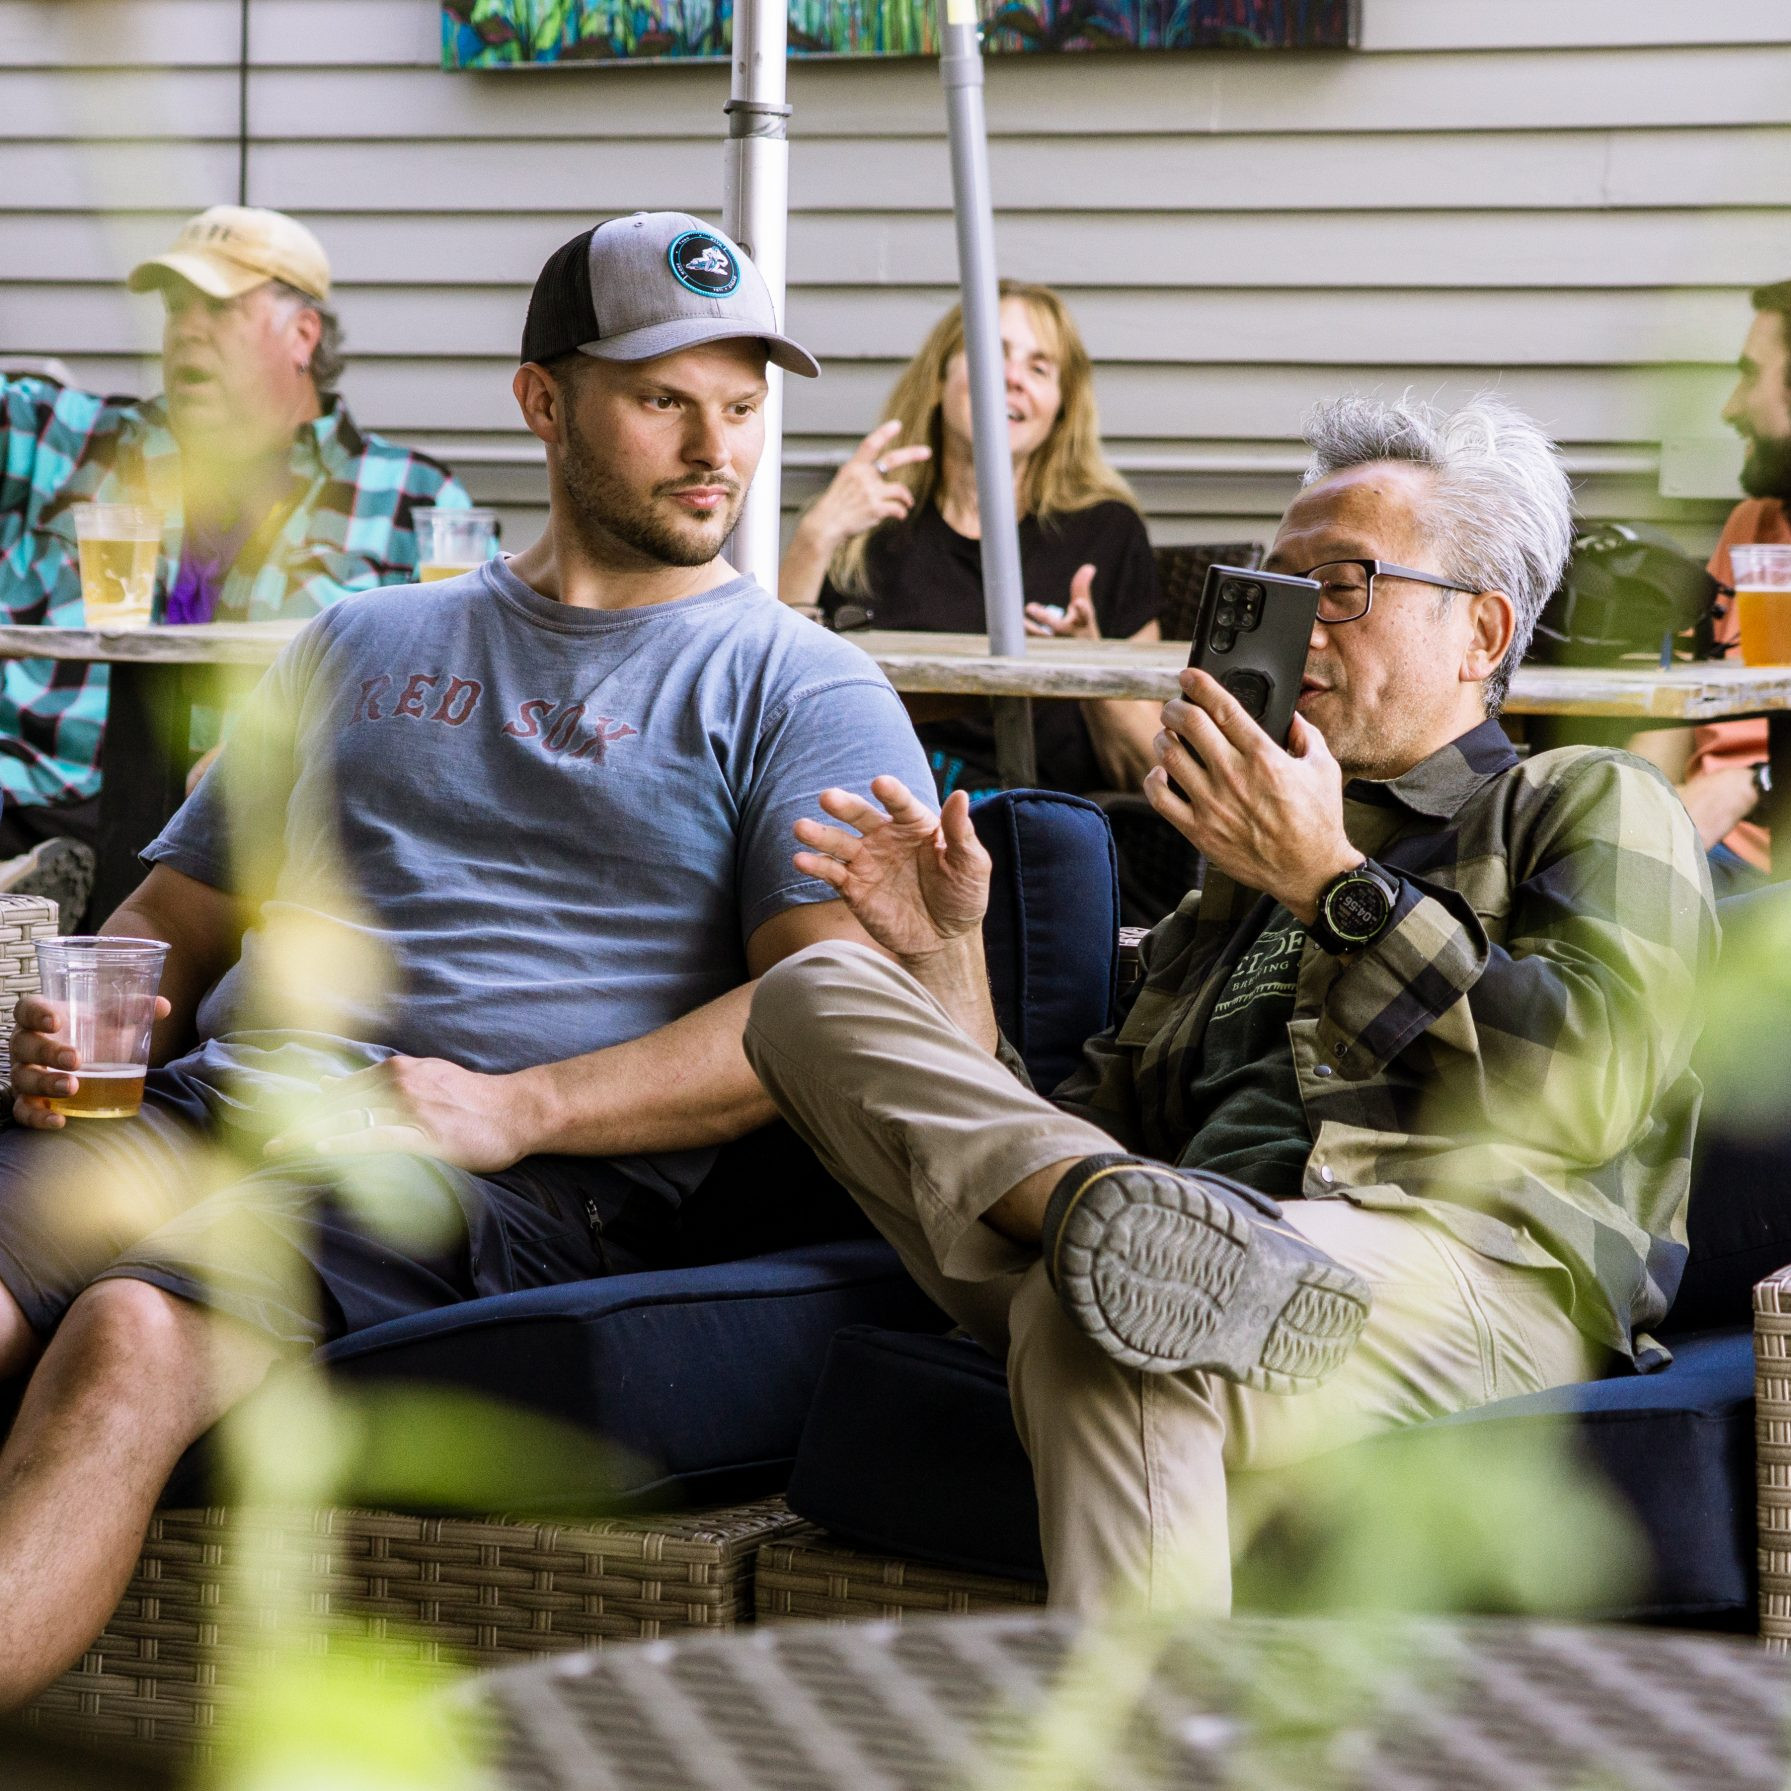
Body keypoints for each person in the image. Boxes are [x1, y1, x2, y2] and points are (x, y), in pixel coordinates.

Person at [0, 210, 932, 1704]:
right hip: (214, 1099)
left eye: (743, 408)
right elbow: (163, 931)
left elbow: (823, 1005)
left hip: (483, 1169)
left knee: (129, 1330)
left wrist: (526, 1108)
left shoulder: (795, 682)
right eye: (663, 401)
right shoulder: (354, 642)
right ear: (542, 401)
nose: (716, 450)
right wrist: (71, 1027)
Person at [746, 394, 1716, 1614]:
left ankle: (1149, 1247)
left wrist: (1330, 884)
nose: (1300, 626)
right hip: (1173, 1224)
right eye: (1278, 587)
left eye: (1344, 585)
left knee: (1102, 1311)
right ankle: (1145, 1237)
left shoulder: (1582, 799)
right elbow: (1063, 1132)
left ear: (1482, 632)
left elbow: (1593, 1085)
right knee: (810, 988)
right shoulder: (1233, 876)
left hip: (1464, 1268)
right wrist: (947, 960)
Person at [0, 205, 472, 920]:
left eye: (219, 307)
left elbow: (450, 713)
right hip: (32, 791)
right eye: (175, 306)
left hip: (230, 833)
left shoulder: (413, 500)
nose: (186, 328)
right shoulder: (67, 440)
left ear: (302, 335)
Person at [779, 281, 1164, 803]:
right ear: (939, 381)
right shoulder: (868, 520)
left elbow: (1149, 770)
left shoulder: (1106, 531)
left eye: (1040, 368)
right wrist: (815, 535)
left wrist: (1091, 669)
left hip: (1038, 826)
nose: (1011, 378)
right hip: (881, 807)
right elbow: (773, 700)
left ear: (1061, 410)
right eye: (991, 354)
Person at [1630, 280, 1791, 893]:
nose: (1730, 408)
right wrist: (1625, 812)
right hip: (1699, 839)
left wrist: (1749, 783)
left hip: (1762, 868)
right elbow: (1685, 695)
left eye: (1752, 377)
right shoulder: (1753, 525)